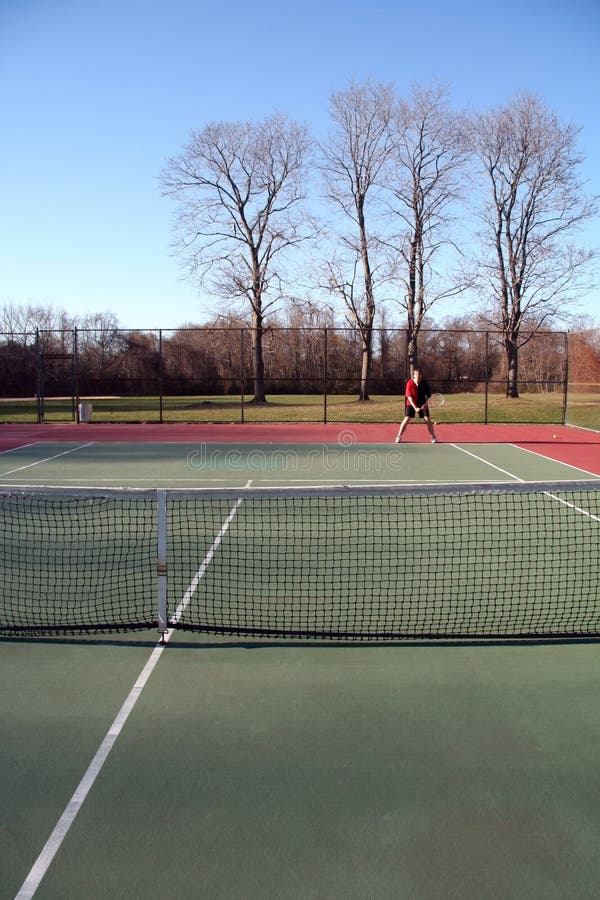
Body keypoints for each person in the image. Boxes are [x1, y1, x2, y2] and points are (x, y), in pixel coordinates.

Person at [394, 368, 438, 443]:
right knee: (407, 418)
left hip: (422, 402)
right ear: (413, 375)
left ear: (421, 376)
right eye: (416, 374)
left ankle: (433, 437)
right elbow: (409, 397)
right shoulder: (409, 383)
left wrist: (426, 403)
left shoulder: (424, 383)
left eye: (419, 374)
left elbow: (428, 396)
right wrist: (415, 407)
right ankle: (399, 436)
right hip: (411, 403)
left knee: (427, 419)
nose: (418, 376)